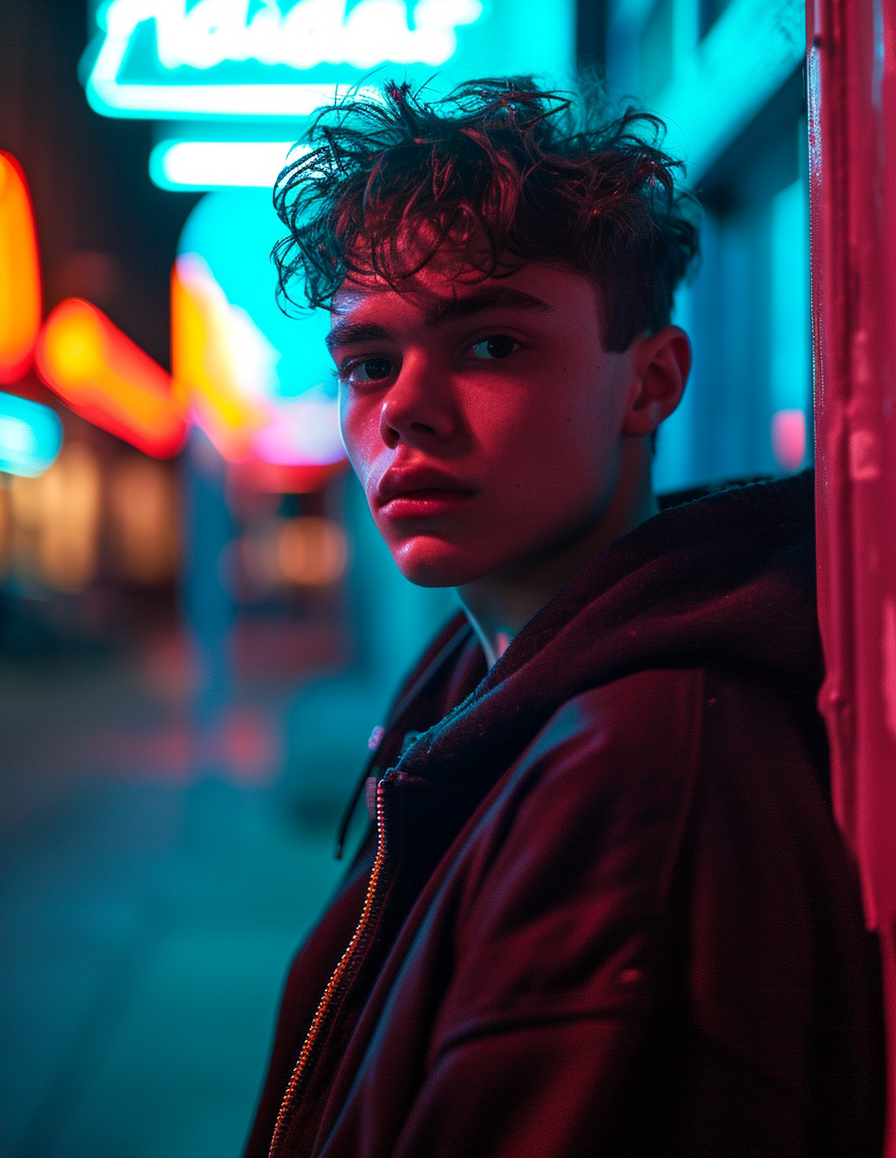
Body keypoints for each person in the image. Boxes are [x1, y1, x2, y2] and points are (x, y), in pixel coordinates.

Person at [244, 78, 883, 1158]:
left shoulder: (637, 780)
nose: (401, 408)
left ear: (649, 383)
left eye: (490, 344)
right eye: (367, 361)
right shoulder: (480, 688)